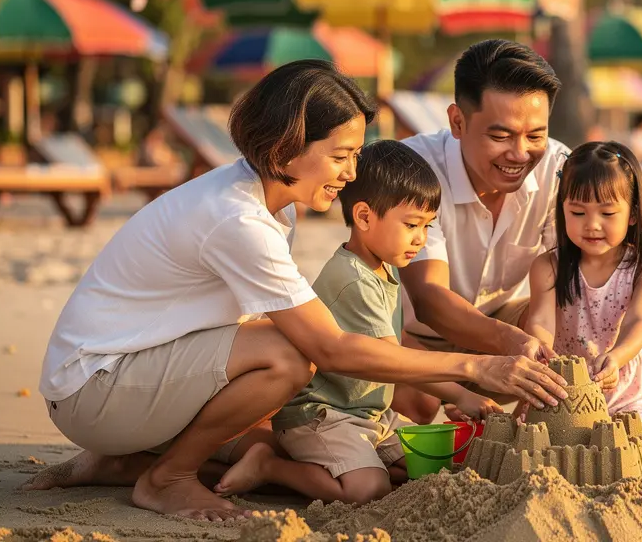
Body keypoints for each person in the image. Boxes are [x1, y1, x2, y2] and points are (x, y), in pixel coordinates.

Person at [25, 60, 567, 521]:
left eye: (356, 155)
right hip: (93, 388)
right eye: (340, 155)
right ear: (286, 147)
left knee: (274, 429)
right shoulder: (238, 219)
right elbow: (327, 348)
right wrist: (473, 368)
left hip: (131, 375)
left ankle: (124, 461)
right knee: (289, 358)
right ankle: (166, 478)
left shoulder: (267, 203)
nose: (351, 172)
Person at [212, 140, 504, 504]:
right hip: (323, 415)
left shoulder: (382, 269)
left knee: (428, 467)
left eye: (428, 226)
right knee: (369, 489)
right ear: (364, 217)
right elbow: (395, 362)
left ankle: (335, 466)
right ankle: (269, 467)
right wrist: (461, 392)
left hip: (370, 414)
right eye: (411, 225)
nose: (420, 239)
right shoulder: (353, 279)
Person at [393, 39, 576, 424]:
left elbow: (582, 278)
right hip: (414, 342)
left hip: (505, 332)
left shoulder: (560, 169)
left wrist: (536, 354)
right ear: (457, 122)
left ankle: (536, 414)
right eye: (501, 136)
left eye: (535, 136)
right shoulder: (413, 168)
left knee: (576, 309)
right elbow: (428, 298)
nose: (520, 154)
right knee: (417, 406)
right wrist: (513, 344)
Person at [522, 141, 642, 453]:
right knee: (535, 446)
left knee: (638, 447)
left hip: (628, 395)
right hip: (565, 392)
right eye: (577, 212)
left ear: (632, 215)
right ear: (562, 210)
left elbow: (638, 321)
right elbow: (540, 321)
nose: (592, 225)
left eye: (607, 213)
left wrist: (617, 357)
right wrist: (543, 354)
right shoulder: (548, 266)